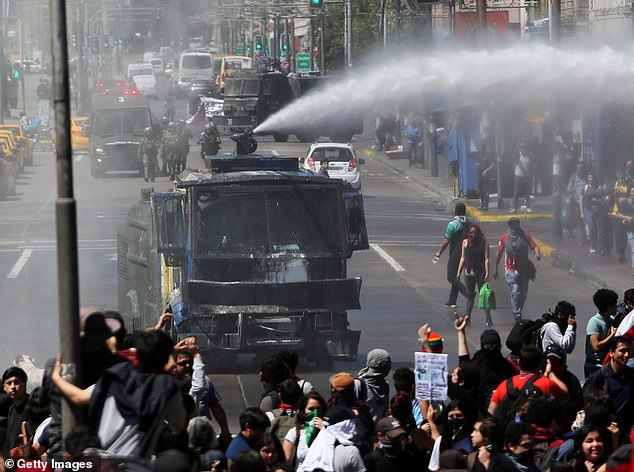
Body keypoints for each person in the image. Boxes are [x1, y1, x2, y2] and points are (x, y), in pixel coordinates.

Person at [51, 330, 187, 459]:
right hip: (135, 465)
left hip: (103, 462)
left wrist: (56, 378)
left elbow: (79, 397)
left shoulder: (116, 375)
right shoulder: (166, 386)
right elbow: (179, 425)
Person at [171, 337, 232, 449]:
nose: (187, 366)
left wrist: (225, 430)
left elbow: (216, 407)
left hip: (204, 438)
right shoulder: (169, 386)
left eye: (190, 362)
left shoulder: (205, 382)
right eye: (183, 363)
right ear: (173, 366)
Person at [488, 345, 568, 419]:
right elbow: (565, 395)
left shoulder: (504, 385)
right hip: (533, 432)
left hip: (509, 432)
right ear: (539, 364)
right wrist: (550, 373)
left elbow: (491, 412)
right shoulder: (546, 384)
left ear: (518, 362)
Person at [583, 336, 634, 439]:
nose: (627, 355)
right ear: (611, 353)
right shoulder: (599, 377)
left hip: (626, 435)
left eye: (628, 351)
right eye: (622, 351)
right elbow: (589, 406)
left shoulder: (631, 376)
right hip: (603, 435)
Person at [493, 217, 541, 321]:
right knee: (515, 290)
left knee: (523, 294)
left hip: (523, 270)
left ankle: (518, 310)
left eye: (515, 225)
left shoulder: (525, 236)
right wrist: (495, 268)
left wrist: (537, 254)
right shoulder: (504, 238)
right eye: (511, 225)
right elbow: (499, 253)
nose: (513, 227)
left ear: (518, 225)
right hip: (510, 269)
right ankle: (517, 313)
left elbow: (534, 246)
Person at [435, 202, 471, 309]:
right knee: (456, 276)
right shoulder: (469, 223)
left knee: (450, 276)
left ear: (455, 211)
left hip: (456, 253)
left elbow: (447, 240)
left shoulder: (453, 224)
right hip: (467, 253)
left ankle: (467, 293)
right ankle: (452, 300)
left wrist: (439, 252)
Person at [456, 223, 492, 326]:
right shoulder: (465, 242)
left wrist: (487, 272)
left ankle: (488, 318)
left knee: (483, 295)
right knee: (470, 296)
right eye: (471, 232)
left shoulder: (483, 243)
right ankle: (468, 317)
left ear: (478, 233)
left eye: (475, 232)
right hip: (468, 272)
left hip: (480, 272)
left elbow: (486, 259)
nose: (473, 234)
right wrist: (458, 272)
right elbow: (462, 258)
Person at [282, 391, 327, 470]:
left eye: (318, 409)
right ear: (304, 411)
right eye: (311, 409)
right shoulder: (295, 433)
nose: (315, 413)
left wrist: (324, 431)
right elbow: (286, 461)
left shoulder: (328, 431)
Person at [584, 289, 618, 378]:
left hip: (606, 365)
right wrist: (611, 335)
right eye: (614, 304)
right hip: (594, 367)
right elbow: (596, 346)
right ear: (608, 307)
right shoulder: (595, 322)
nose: (616, 307)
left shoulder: (611, 321)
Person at [1, 367, 31, 458]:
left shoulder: (34, 406)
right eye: (9, 383)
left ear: (25, 384)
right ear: (4, 387)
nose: (13, 387)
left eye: (16, 382)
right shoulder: (11, 409)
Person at [356, 348, 392, 423]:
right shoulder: (359, 385)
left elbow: (385, 411)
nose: (389, 368)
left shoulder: (385, 385)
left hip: (378, 432)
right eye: (386, 364)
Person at [615, 187, 634, 277]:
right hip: (630, 229)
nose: (633, 193)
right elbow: (618, 214)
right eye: (632, 191)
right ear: (630, 193)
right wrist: (626, 217)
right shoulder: (624, 203)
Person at [511, 143, 533, 213]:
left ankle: (528, 207)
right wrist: (517, 146)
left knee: (527, 192)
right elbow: (514, 155)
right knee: (516, 192)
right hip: (518, 176)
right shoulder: (517, 155)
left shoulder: (528, 155)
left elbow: (531, 165)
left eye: (523, 147)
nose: (522, 148)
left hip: (526, 176)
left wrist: (531, 175)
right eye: (521, 147)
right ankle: (514, 208)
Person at [477, 145, 494, 211]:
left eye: (482, 150)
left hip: (487, 175)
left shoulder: (488, 155)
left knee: (486, 190)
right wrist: (477, 165)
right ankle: (481, 204)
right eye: (481, 150)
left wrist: (486, 170)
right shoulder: (479, 156)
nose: (481, 151)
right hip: (480, 175)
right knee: (480, 190)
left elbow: (492, 164)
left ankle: (486, 205)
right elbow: (478, 163)